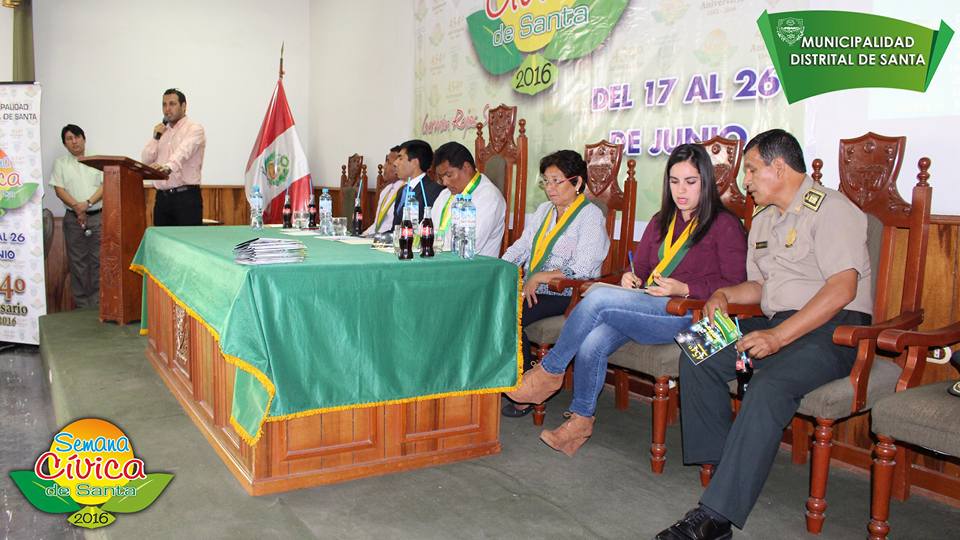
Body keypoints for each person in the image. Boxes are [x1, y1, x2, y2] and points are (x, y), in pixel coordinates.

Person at [655, 129, 872, 540]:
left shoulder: (831, 209)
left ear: (780, 167)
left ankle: (716, 516)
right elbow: (759, 287)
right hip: (778, 322)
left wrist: (779, 338)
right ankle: (726, 467)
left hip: (835, 330)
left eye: (752, 170)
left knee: (768, 385)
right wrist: (723, 295)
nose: (746, 181)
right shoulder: (763, 219)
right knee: (698, 348)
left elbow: (843, 289)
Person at [504, 144, 747, 458]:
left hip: (689, 315)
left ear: (706, 182)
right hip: (648, 306)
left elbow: (735, 283)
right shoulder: (662, 220)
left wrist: (685, 287)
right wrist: (630, 278)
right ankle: (579, 422)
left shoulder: (724, 224)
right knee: (593, 340)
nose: (681, 190)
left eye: (690, 182)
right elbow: (640, 269)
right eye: (674, 181)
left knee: (597, 297)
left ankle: (549, 372)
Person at [501, 149, 609, 409]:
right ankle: (508, 379)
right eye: (546, 182)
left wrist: (541, 277)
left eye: (556, 181)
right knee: (494, 307)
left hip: (567, 293)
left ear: (577, 182)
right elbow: (522, 246)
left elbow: (584, 267)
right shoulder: (544, 210)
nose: (550, 188)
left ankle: (525, 388)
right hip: (532, 287)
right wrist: (500, 268)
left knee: (509, 315)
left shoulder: (590, 216)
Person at [49, 124, 103, 308]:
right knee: (77, 263)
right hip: (73, 219)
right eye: (69, 139)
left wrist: (87, 204)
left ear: (84, 138)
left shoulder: (98, 160)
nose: (74, 141)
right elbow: (59, 190)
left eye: (77, 137)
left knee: (98, 261)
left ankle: (97, 305)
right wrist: (77, 208)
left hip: (97, 217)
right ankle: (82, 306)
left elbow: (105, 186)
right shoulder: (61, 163)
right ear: (65, 144)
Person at [141, 88, 206, 226]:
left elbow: (183, 153)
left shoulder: (194, 129)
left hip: (186, 198)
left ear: (184, 106)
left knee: (187, 239)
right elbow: (146, 160)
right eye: (164, 104)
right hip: (162, 199)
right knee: (161, 240)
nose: (167, 109)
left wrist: (167, 167)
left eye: (172, 104)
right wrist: (155, 138)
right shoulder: (162, 132)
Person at [431, 142, 506, 256]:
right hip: (441, 259)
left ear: (466, 167)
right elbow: (428, 229)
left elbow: (468, 246)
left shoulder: (489, 197)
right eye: (441, 177)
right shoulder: (445, 194)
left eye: (449, 175)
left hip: (472, 264)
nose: (445, 182)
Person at [391, 139, 444, 227]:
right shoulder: (402, 191)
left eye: (400, 158)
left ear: (415, 162)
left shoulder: (434, 191)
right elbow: (395, 228)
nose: (395, 163)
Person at [363, 146, 403, 235]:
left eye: (388, 162)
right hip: (374, 236)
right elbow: (376, 224)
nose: (384, 166)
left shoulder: (406, 192)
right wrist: (364, 235)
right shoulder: (386, 190)